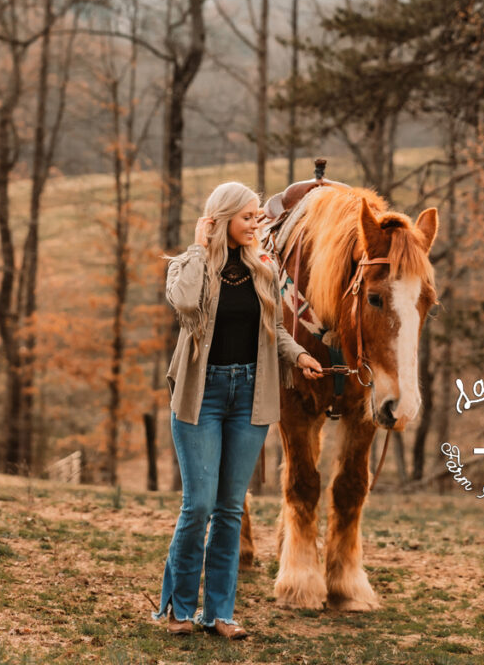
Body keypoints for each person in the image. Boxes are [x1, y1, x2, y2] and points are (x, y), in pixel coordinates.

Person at [155, 181, 323, 639]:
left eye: (257, 216)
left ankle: (220, 614)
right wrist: (198, 245)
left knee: (229, 509)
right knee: (199, 506)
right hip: (201, 396)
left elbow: (274, 329)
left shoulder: (263, 269)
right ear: (221, 218)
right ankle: (179, 609)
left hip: (249, 394)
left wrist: (298, 356)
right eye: (248, 217)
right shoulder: (191, 268)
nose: (257, 224)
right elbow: (185, 303)